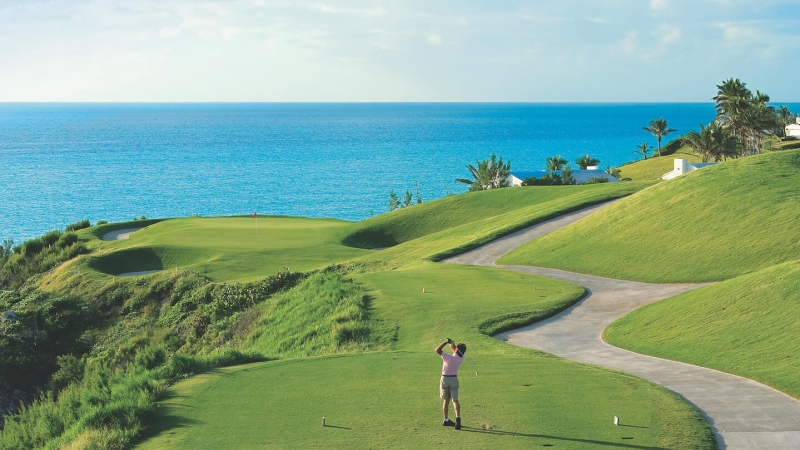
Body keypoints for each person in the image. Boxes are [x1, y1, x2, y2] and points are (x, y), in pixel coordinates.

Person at [435, 338, 467, 430]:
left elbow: (437, 350)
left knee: (446, 401)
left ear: (457, 350)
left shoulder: (448, 357)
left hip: (445, 379)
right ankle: (458, 418)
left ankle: (446, 420)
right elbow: (455, 350)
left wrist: (445, 342)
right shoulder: (461, 358)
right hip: (454, 380)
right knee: (455, 401)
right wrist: (453, 344)